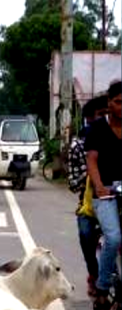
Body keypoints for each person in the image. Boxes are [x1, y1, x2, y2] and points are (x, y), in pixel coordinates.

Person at [85, 80, 122, 310]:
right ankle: (102, 283)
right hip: (106, 193)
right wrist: (99, 187)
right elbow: (92, 160)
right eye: (118, 102)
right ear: (109, 103)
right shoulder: (98, 128)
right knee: (114, 237)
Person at [69, 96, 108, 298]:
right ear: (89, 120)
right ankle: (94, 275)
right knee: (85, 234)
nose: (107, 118)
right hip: (89, 204)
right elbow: (72, 183)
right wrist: (89, 178)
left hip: (114, 199)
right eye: (102, 115)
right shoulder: (77, 146)